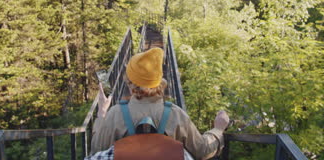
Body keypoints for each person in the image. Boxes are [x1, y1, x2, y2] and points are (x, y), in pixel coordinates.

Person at [90, 48, 229, 160]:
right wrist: (218, 129)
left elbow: (97, 150)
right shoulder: (176, 114)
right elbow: (202, 151)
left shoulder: (116, 114)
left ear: (129, 82)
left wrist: (102, 113)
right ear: (159, 82)